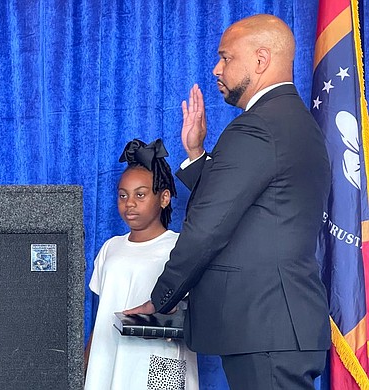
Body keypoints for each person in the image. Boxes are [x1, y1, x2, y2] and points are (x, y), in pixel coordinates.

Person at [124, 14, 331, 389]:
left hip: (264, 328)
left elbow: (208, 226)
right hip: (280, 327)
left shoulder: (257, 127)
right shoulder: (295, 123)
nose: (217, 68)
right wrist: (197, 153)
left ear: (261, 59)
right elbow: (244, 207)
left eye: (226, 57)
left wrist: (160, 299)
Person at [85, 139, 198, 390]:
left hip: (161, 362)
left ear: (164, 198)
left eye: (140, 194)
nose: (130, 203)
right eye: (123, 195)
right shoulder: (110, 248)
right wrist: (86, 362)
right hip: (109, 358)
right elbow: (103, 313)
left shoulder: (181, 248)